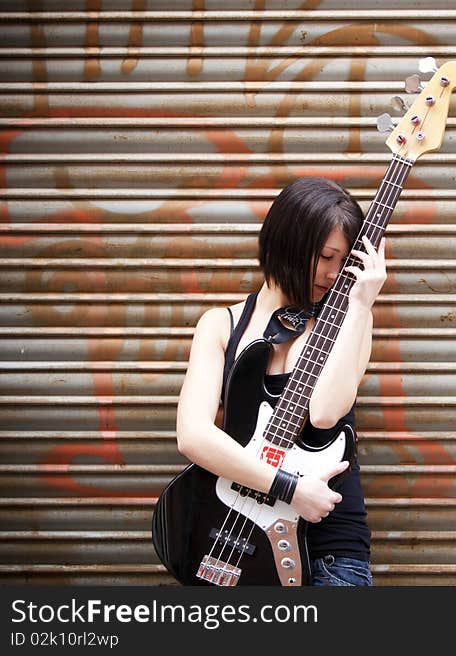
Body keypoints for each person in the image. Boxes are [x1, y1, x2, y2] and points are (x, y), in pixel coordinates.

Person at [174, 177, 384, 586]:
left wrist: (360, 306)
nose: (334, 273)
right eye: (326, 257)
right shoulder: (222, 324)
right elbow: (193, 435)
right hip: (228, 533)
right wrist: (289, 489)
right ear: (290, 243)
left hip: (328, 549)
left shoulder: (350, 318)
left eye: (346, 262)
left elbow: (324, 414)